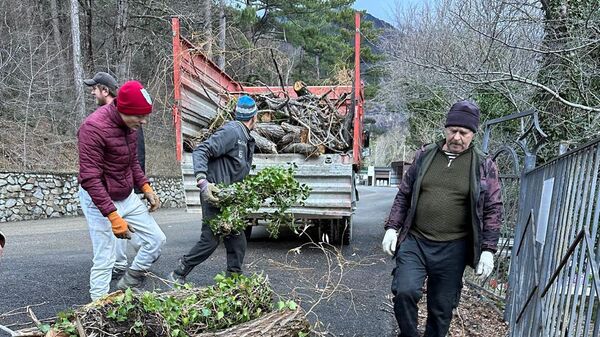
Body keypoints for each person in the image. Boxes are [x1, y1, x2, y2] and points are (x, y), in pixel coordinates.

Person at [381, 100, 503, 337]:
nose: (457, 137)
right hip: (415, 241)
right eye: (453, 131)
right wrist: (392, 227)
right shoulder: (425, 156)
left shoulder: (483, 165)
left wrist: (488, 249)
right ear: (445, 129)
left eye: (464, 133)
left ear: (473, 134)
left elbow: (493, 208)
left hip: (453, 248)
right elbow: (404, 194)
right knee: (405, 291)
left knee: (442, 308)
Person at [78, 80, 166, 300]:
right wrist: (113, 216)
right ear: (123, 109)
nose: (144, 121)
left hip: (126, 194)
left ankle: (130, 280)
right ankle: (98, 309)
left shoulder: (131, 127)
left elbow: (131, 162)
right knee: (105, 258)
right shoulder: (93, 128)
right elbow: (90, 179)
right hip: (100, 198)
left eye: (146, 115)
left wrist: (145, 186)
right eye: (140, 116)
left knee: (156, 240)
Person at [169, 95, 257, 284]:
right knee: (210, 240)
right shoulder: (232, 131)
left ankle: (234, 280)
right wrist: (203, 182)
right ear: (254, 117)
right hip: (215, 194)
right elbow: (201, 150)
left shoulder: (245, 137)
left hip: (229, 198)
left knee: (237, 238)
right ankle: (179, 272)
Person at [84, 72, 146, 280]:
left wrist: (142, 186)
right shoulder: (97, 124)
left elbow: (134, 158)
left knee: (136, 239)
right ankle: (118, 269)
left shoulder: (133, 117)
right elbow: (90, 175)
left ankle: (126, 270)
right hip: (104, 193)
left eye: (95, 88)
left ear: (105, 90)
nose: (92, 92)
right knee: (107, 252)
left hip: (123, 191)